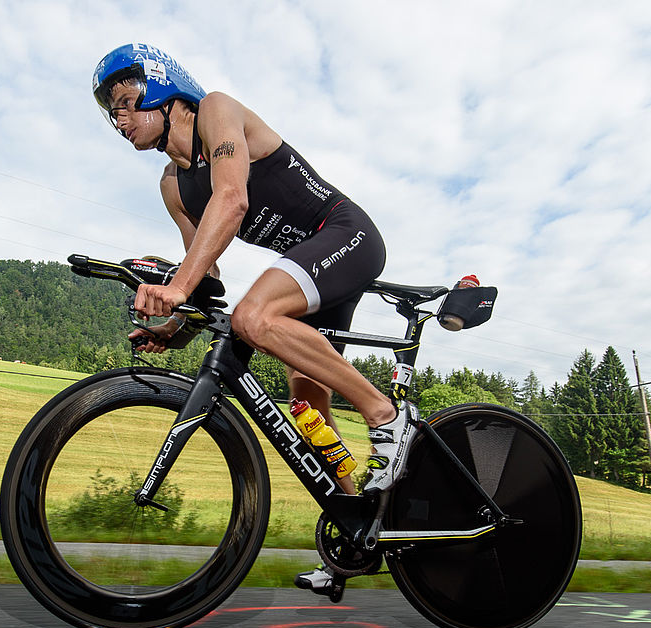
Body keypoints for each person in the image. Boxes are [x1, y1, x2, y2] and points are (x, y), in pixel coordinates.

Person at [92, 43, 417, 591]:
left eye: (127, 102)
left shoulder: (216, 110)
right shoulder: (172, 185)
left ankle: (387, 416)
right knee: (307, 402)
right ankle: (355, 532)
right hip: (311, 270)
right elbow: (208, 277)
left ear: (166, 90)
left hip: (345, 236)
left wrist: (173, 286)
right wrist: (176, 326)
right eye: (111, 113)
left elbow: (233, 201)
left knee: (254, 317)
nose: (119, 120)